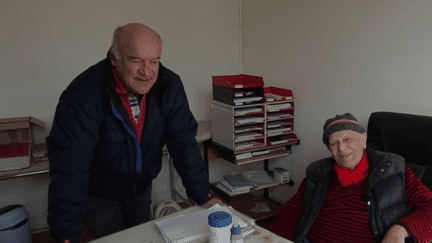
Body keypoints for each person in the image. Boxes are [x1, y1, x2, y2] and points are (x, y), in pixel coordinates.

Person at [47, 23, 223, 243]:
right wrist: (65, 234)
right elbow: (70, 167)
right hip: (100, 194)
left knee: (142, 238)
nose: (147, 71)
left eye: (154, 61)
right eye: (136, 60)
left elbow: (183, 143)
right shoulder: (83, 95)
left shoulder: (169, 85)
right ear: (114, 57)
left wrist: (202, 195)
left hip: (140, 188)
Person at [271, 113, 432, 243]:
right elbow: (292, 209)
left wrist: (401, 229)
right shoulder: (318, 173)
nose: (341, 148)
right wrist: (278, 238)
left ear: (364, 139)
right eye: (334, 143)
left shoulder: (394, 169)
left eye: (347, 139)